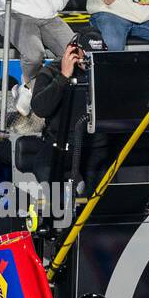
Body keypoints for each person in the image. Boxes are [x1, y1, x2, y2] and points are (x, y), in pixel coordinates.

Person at [27, 39, 110, 219]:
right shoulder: (51, 71)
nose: (89, 61)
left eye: (96, 56)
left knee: (101, 200)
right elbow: (40, 108)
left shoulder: (104, 70)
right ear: (73, 51)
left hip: (96, 146)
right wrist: (63, 77)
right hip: (60, 144)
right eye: (86, 55)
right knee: (46, 172)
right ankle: (56, 227)